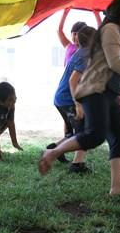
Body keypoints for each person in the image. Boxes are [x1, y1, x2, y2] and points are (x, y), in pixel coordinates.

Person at [39, 0, 120, 199]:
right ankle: (52, 153)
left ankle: (116, 188)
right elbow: (114, 61)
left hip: (109, 93)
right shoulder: (110, 29)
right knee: (96, 135)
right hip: (94, 91)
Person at [49, 26, 96, 173]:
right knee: (86, 132)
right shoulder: (85, 56)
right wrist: (78, 104)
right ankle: (77, 165)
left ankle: (55, 149)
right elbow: (72, 80)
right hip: (68, 100)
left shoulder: (82, 52)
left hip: (61, 98)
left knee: (71, 133)